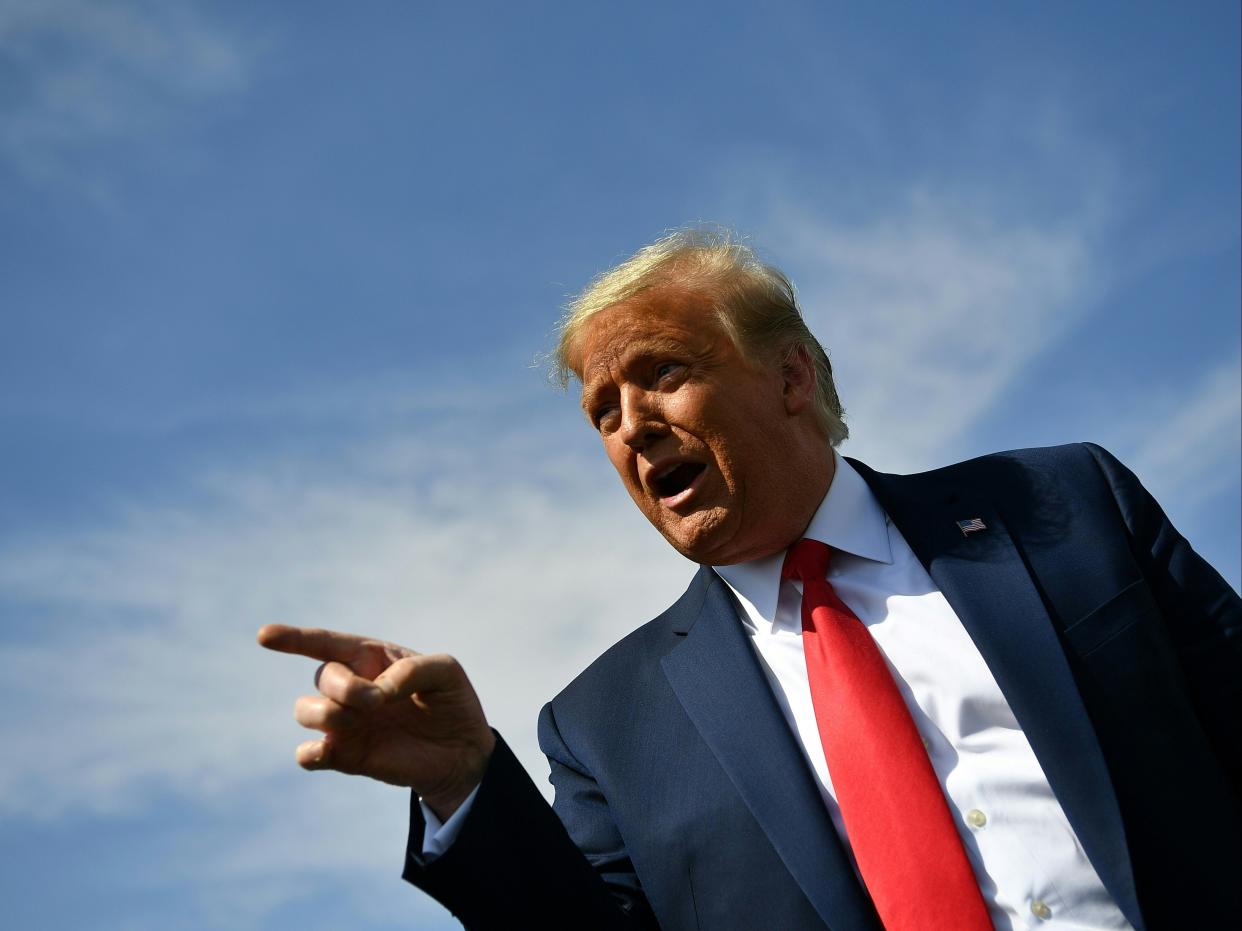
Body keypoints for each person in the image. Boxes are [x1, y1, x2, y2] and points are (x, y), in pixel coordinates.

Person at [258, 230, 1241, 931]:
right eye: (602, 412)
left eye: (663, 373)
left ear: (792, 378)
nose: (631, 424)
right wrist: (464, 781)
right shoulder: (605, 723)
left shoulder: (1061, 504)